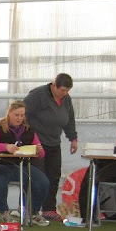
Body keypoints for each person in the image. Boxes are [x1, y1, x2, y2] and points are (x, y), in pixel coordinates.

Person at [0, 100, 51, 226]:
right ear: (9, 113)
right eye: (16, 115)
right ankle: (5, 213)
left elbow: (41, 154)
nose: (19, 118)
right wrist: (6, 147)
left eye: (22, 115)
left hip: (22, 166)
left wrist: (38, 150)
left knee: (43, 182)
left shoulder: (29, 130)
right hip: (0, 165)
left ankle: (34, 213)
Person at [24, 73, 78, 221]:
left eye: (67, 90)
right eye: (63, 90)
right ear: (54, 85)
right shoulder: (37, 95)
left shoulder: (66, 99)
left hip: (54, 143)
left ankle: (48, 209)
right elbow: (22, 114)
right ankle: (30, 210)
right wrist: (28, 136)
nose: (65, 93)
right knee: (36, 178)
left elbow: (70, 119)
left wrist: (73, 138)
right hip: (37, 144)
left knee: (53, 177)